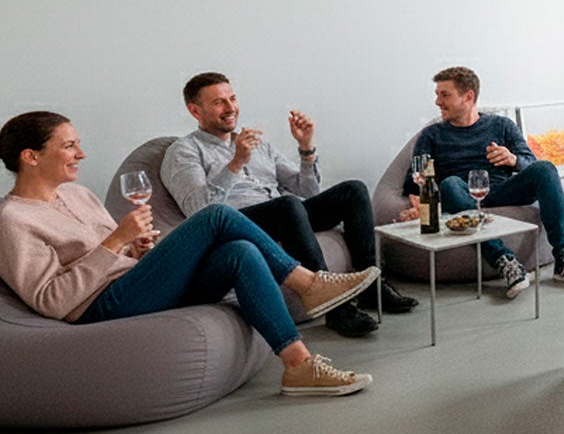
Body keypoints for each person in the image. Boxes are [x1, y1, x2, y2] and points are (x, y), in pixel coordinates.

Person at [0, 111, 377, 396]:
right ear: (31, 156)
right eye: (69, 146)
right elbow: (51, 300)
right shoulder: (10, 221)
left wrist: (136, 247)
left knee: (239, 251)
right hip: (98, 307)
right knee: (217, 216)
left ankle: (299, 366)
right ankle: (309, 284)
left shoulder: (78, 195)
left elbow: (117, 256)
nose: (81, 154)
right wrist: (115, 242)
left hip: (133, 284)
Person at [160, 73, 414, 339]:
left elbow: (307, 190)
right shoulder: (184, 151)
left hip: (285, 215)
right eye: (218, 102)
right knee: (287, 206)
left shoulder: (256, 143)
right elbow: (198, 210)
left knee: (353, 190)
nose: (230, 107)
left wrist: (306, 148)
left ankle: (372, 285)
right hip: (236, 223)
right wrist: (236, 163)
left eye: (232, 99)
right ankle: (336, 308)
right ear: (195, 111)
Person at [400, 67, 564, 294]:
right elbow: (414, 179)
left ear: (468, 96)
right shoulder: (432, 134)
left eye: (445, 95)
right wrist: (420, 202)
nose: (437, 102)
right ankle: (504, 261)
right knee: (450, 183)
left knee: (546, 168)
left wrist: (512, 159)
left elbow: (531, 163)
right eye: (437, 94)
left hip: (501, 191)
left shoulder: (501, 125)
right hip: (459, 196)